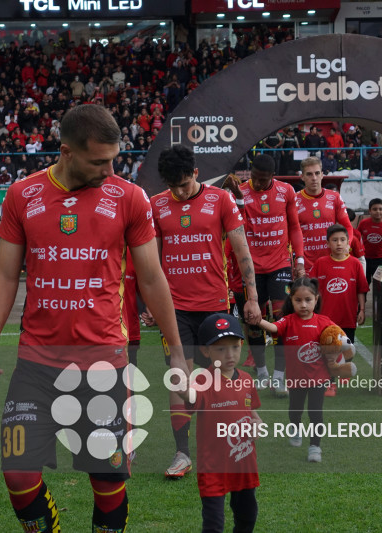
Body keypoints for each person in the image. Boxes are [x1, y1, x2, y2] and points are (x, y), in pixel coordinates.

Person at [0, 104, 186, 533]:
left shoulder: (128, 197)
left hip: (103, 366)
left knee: (106, 478)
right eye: (99, 161)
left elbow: (151, 277)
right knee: (17, 474)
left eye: (114, 159)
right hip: (36, 364)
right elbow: (7, 275)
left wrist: (177, 352)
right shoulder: (22, 196)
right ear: (66, 152)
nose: (110, 170)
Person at [145, 145, 260, 480]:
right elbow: (151, 262)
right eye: (173, 186)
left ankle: (222, 443)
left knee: (216, 380)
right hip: (173, 309)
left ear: (195, 173)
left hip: (214, 305)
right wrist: (150, 305)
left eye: (184, 184)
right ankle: (182, 453)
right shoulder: (157, 205)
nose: (179, 192)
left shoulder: (220, 200)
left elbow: (241, 248)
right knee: (179, 378)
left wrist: (251, 297)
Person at [225, 154, 305, 397]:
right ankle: (261, 373)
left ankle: (280, 377)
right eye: (255, 178)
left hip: (280, 264)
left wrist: (299, 260)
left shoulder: (286, 191)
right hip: (249, 268)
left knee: (283, 320)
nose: (258, 184)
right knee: (253, 321)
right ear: (251, 173)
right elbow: (233, 227)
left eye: (263, 180)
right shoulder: (240, 192)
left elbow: (294, 226)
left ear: (273, 176)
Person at [181, 313, 261, 533]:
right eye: (221, 349)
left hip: (243, 462)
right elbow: (192, 397)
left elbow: (251, 411)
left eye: (235, 347)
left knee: (247, 516)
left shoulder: (246, 379)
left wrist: (256, 422)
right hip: (213, 467)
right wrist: (183, 391)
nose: (230, 355)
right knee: (214, 524)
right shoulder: (202, 380)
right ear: (206, 351)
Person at [258, 277, 339, 462]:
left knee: (315, 412)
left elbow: (338, 339)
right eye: (298, 300)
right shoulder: (288, 321)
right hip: (296, 379)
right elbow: (273, 327)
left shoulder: (324, 322)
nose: (303, 305)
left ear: (316, 299)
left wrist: (343, 350)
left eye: (308, 300)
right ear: (291, 301)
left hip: (319, 378)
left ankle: (314, 447)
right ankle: (295, 428)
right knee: (295, 409)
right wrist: (259, 320)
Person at [309, 224, 369, 343]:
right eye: (335, 240)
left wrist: (361, 309)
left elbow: (361, 289)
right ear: (327, 243)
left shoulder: (355, 263)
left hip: (348, 319)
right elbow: (311, 290)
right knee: (326, 356)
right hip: (324, 320)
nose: (339, 243)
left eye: (342, 240)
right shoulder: (320, 263)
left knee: (347, 355)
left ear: (348, 242)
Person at [296, 156, 352, 265]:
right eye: (309, 174)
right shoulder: (294, 199)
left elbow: (347, 226)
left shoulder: (334, 197)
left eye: (317, 173)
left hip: (332, 260)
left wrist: (347, 245)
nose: (314, 178)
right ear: (302, 176)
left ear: (322, 175)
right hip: (306, 264)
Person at [358, 199, 382, 282]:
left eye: (380, 209)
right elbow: (356, 239)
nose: (378, 212)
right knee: (363, 284)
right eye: (374, 209)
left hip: (381, 260)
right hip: (365, 259)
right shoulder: (363, 223)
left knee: (381, 285)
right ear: (370, 211)